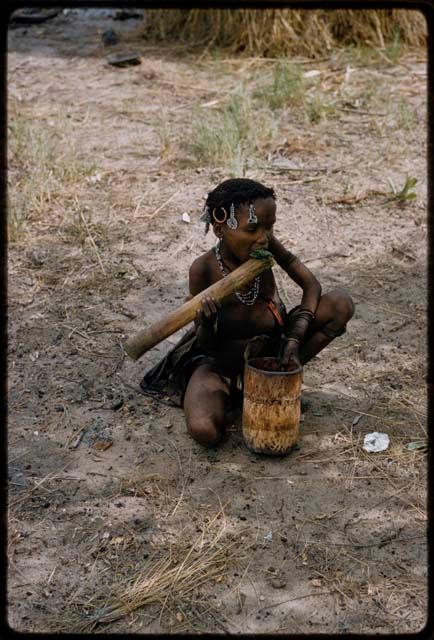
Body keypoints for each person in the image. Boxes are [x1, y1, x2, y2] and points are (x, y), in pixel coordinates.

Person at [141, 178, 354, 448]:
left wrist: (294, 339)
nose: (263, 236)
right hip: (220, 365)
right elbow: (205, 342)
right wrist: (204, 322)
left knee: (340, 305)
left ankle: (273, 381)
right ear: (220, 228)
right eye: (252, 228)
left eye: (270, 227)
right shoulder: (203, 269)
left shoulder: (266, 246)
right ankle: (240, 396)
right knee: (204, 430)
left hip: (272, 354)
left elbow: (311, 285)